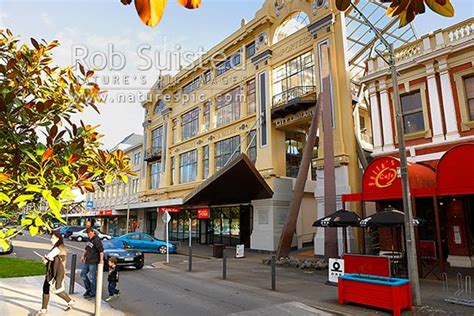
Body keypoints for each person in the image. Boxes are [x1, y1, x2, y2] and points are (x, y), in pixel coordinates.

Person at [35, 231, 76, 315]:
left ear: (58, 238)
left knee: (57, 290)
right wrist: (47, 261)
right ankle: (43, 310)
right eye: (51, 237)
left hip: (57, 273)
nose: (51, 239)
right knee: (46, 288)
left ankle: (70, 301)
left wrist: (50, 259)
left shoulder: (60, 248)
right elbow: (52, 260)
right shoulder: (56, 247)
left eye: (53, 238)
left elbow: (62, 259)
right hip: (51, 272)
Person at [80, 227, 104, 299]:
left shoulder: (97, 240)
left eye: (90, 234)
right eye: (88, 234)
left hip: (94, 261)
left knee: (92, 277)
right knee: (83, 274)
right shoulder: (89, 239)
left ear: (93, 232)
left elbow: (101, 251)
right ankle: (88, 289)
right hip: (87, 260)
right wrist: (83, 256)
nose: (89, 235)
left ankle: (93, 292)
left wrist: (101, 260)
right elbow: (86, 248)